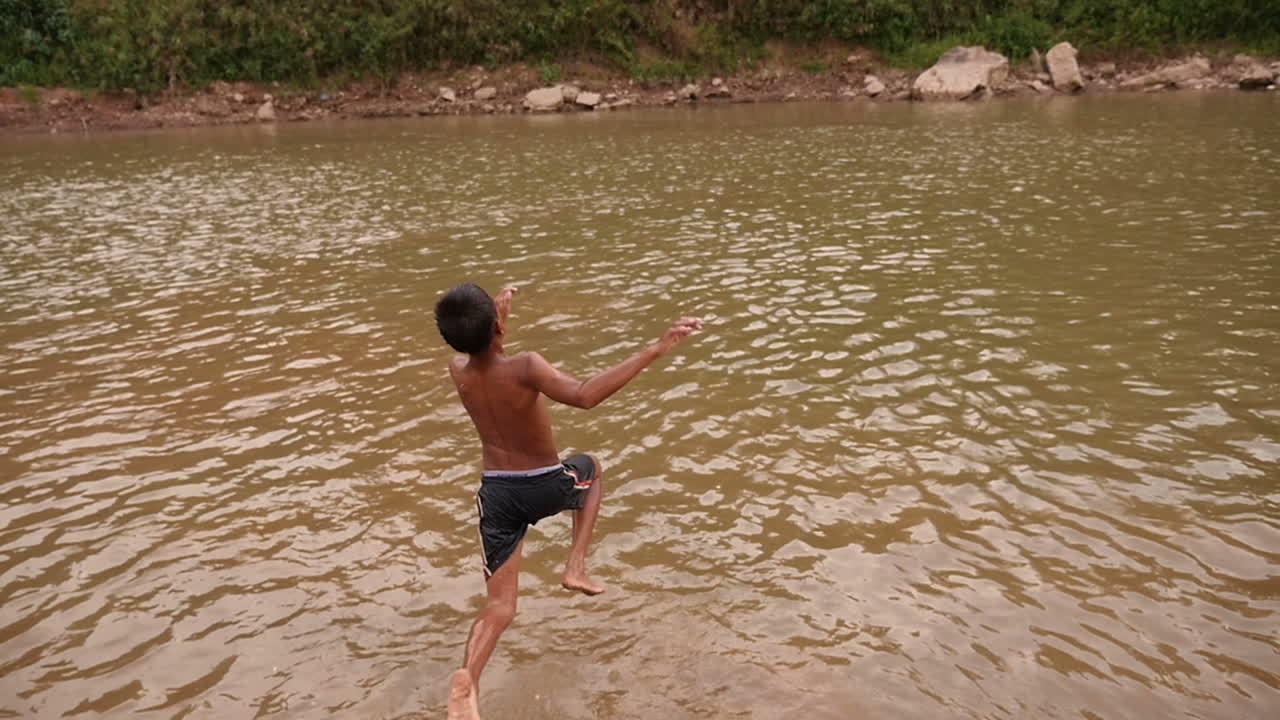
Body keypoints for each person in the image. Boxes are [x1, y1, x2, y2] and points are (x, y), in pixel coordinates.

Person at [434, 283, 702, 719]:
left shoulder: (457, 369)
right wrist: (657, 348)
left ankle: (467, 684)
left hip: (497, 495)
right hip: (543, 484)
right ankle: (576, 565)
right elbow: (584, 395)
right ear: (499, 326)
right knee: (591, 468)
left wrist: (498, 320)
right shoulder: (528, 366)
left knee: (499, 608)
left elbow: (485, 358)